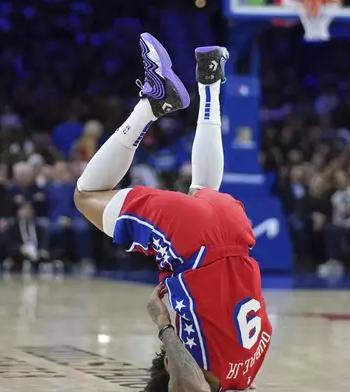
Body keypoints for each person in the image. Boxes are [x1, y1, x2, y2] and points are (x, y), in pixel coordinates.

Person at [73, 33, 271, 392]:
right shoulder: (191, 378)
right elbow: (189, 384)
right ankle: (151, 103)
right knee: (86, 195)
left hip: (235, 228)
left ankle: (209, 82)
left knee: (205, 190)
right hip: (192, 242)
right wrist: (164, 327)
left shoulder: (240, 378)